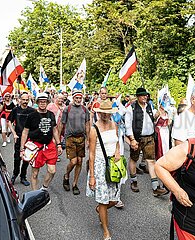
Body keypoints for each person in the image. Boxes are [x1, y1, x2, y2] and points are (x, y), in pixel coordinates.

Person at [87, 99, 121, 240]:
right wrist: (92, 176)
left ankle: (101, 210)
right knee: (103, 200)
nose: (106, 115)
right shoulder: (94, 129)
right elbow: (92, 154)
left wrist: (118, 151)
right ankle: (106, 231)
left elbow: (117, 141)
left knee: (114, 199)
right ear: (99, 113)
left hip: (113, 165)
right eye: (104, 113)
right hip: (100, 165)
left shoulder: (114, 124)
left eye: (108, 113)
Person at [125, 87, 167, 196]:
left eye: (146, 95)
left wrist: (158, 113)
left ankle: (155, 187)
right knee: (134, 159)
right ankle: (134, 181)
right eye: (143, 95)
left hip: (149, 138)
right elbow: (128, 125)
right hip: (137, 139)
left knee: (151, 161)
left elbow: (152, 119)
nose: (145, 97)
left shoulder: (149, 106)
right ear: (138, 96)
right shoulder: (131, 108)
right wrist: (132, 140)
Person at [20, 93, 63, 190]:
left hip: (49, 145)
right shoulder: (32, 116)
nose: (43, 103)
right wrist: (22, 149)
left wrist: (59, 144)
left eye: (44, 101)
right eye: (40, 101)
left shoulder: (51, 114)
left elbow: (55, 130)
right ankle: (35, 194)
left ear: (47, 102)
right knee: (35, 173)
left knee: (52, 171)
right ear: (37, 102)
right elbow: (25, 132)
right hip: (36, 146)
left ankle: (44, 188)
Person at [59, 89, 90, 195]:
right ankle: (66, 175)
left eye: (80, 98)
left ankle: (74, 184)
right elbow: (61, 124)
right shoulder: (67, 109)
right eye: (76, 98)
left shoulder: (85, 110)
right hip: (70, 138)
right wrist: (58, 140)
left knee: (80, 161)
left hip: (81, 138)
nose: (78, 99)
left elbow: (87, 125)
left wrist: (88, 139)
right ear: (73, 98)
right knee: (73, 161)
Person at [7, 92, 35, 186]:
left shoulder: (32, 111)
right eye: (23, 99)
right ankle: (15, 175)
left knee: (26, 158)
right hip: (18, 137)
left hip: (29, 139)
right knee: (17, 158)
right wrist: (14, 134)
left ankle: (23, 176)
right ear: (19, 100)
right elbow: (9, 122)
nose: (25, 101)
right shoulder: (15, 110)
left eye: (27, 100)